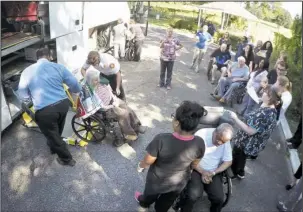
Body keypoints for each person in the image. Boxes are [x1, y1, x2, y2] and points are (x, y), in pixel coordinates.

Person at [134, 101, 207, 212]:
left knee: (150, 194)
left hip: (157, 180)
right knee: (167, 201)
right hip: (179, 182)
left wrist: (141, 166)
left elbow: (148, 160)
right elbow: (194, 163)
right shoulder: (200, 142)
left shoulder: (161, 139)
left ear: (177, 123)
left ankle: (144, 203)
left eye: (173, 117)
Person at [18, 47, 81, 166]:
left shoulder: (27, 71)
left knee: (53, 135)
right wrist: (77, 92)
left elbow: (23, 95)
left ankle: (67, 159)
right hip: (63, 104)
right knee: (57, 128)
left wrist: (30, 98)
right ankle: (54, 145)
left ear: (37, 58)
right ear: (50, 57)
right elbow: (74, 85)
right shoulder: (58, 67)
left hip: (45, 110)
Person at [175, 123, 234, 212]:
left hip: (213, 172)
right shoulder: (201, 135)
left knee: (219, 198)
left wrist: (214, 172)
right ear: (215, 132)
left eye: (223, 142)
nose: (220, 143)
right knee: (193, 195)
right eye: (218, 140)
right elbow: (189, 157)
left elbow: (228, 161)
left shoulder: (225, 140)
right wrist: (203, 172)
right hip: (196, 168)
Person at [84, 67, 146, 142]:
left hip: (112, 101)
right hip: (105, 109)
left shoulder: (101, 83)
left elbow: (109, 91)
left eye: (98, 79)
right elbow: (100, 106)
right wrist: (112, 105)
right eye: (95, 80)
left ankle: (136, 126)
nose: (98, 81)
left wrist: (115, 99)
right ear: (90, 80)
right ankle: (130, 134)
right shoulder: (90, 92)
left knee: (127, 107)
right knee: (124, 114)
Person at [229, 86, 279, 179]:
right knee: (241, 158)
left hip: (246, 142)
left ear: (269, 97)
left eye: (265, 92)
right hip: (252, 142)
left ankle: (234, 173)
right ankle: (240, 172)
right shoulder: (271, 109)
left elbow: (250, 131)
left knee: (238, 156)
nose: (262, 92)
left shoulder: (264, 114)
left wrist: (235, 118)